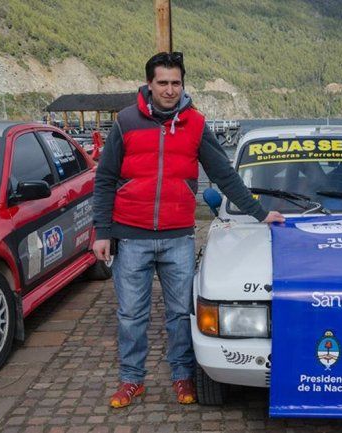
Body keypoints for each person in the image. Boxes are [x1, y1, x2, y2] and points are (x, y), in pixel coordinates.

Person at [92, 52, 284, 408]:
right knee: (131, 314)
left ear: (183, 84)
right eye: (162, 83)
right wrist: (101, 231)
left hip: (177, 236)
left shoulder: (195, 124)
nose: (169, 89)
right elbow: (104, 179)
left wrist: (259, 213)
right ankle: (132, 380)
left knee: (181, 314)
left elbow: (224, 175)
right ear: (149, 84)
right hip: (130, 235)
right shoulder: (125, 122)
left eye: (175, 83)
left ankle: (182, 376)